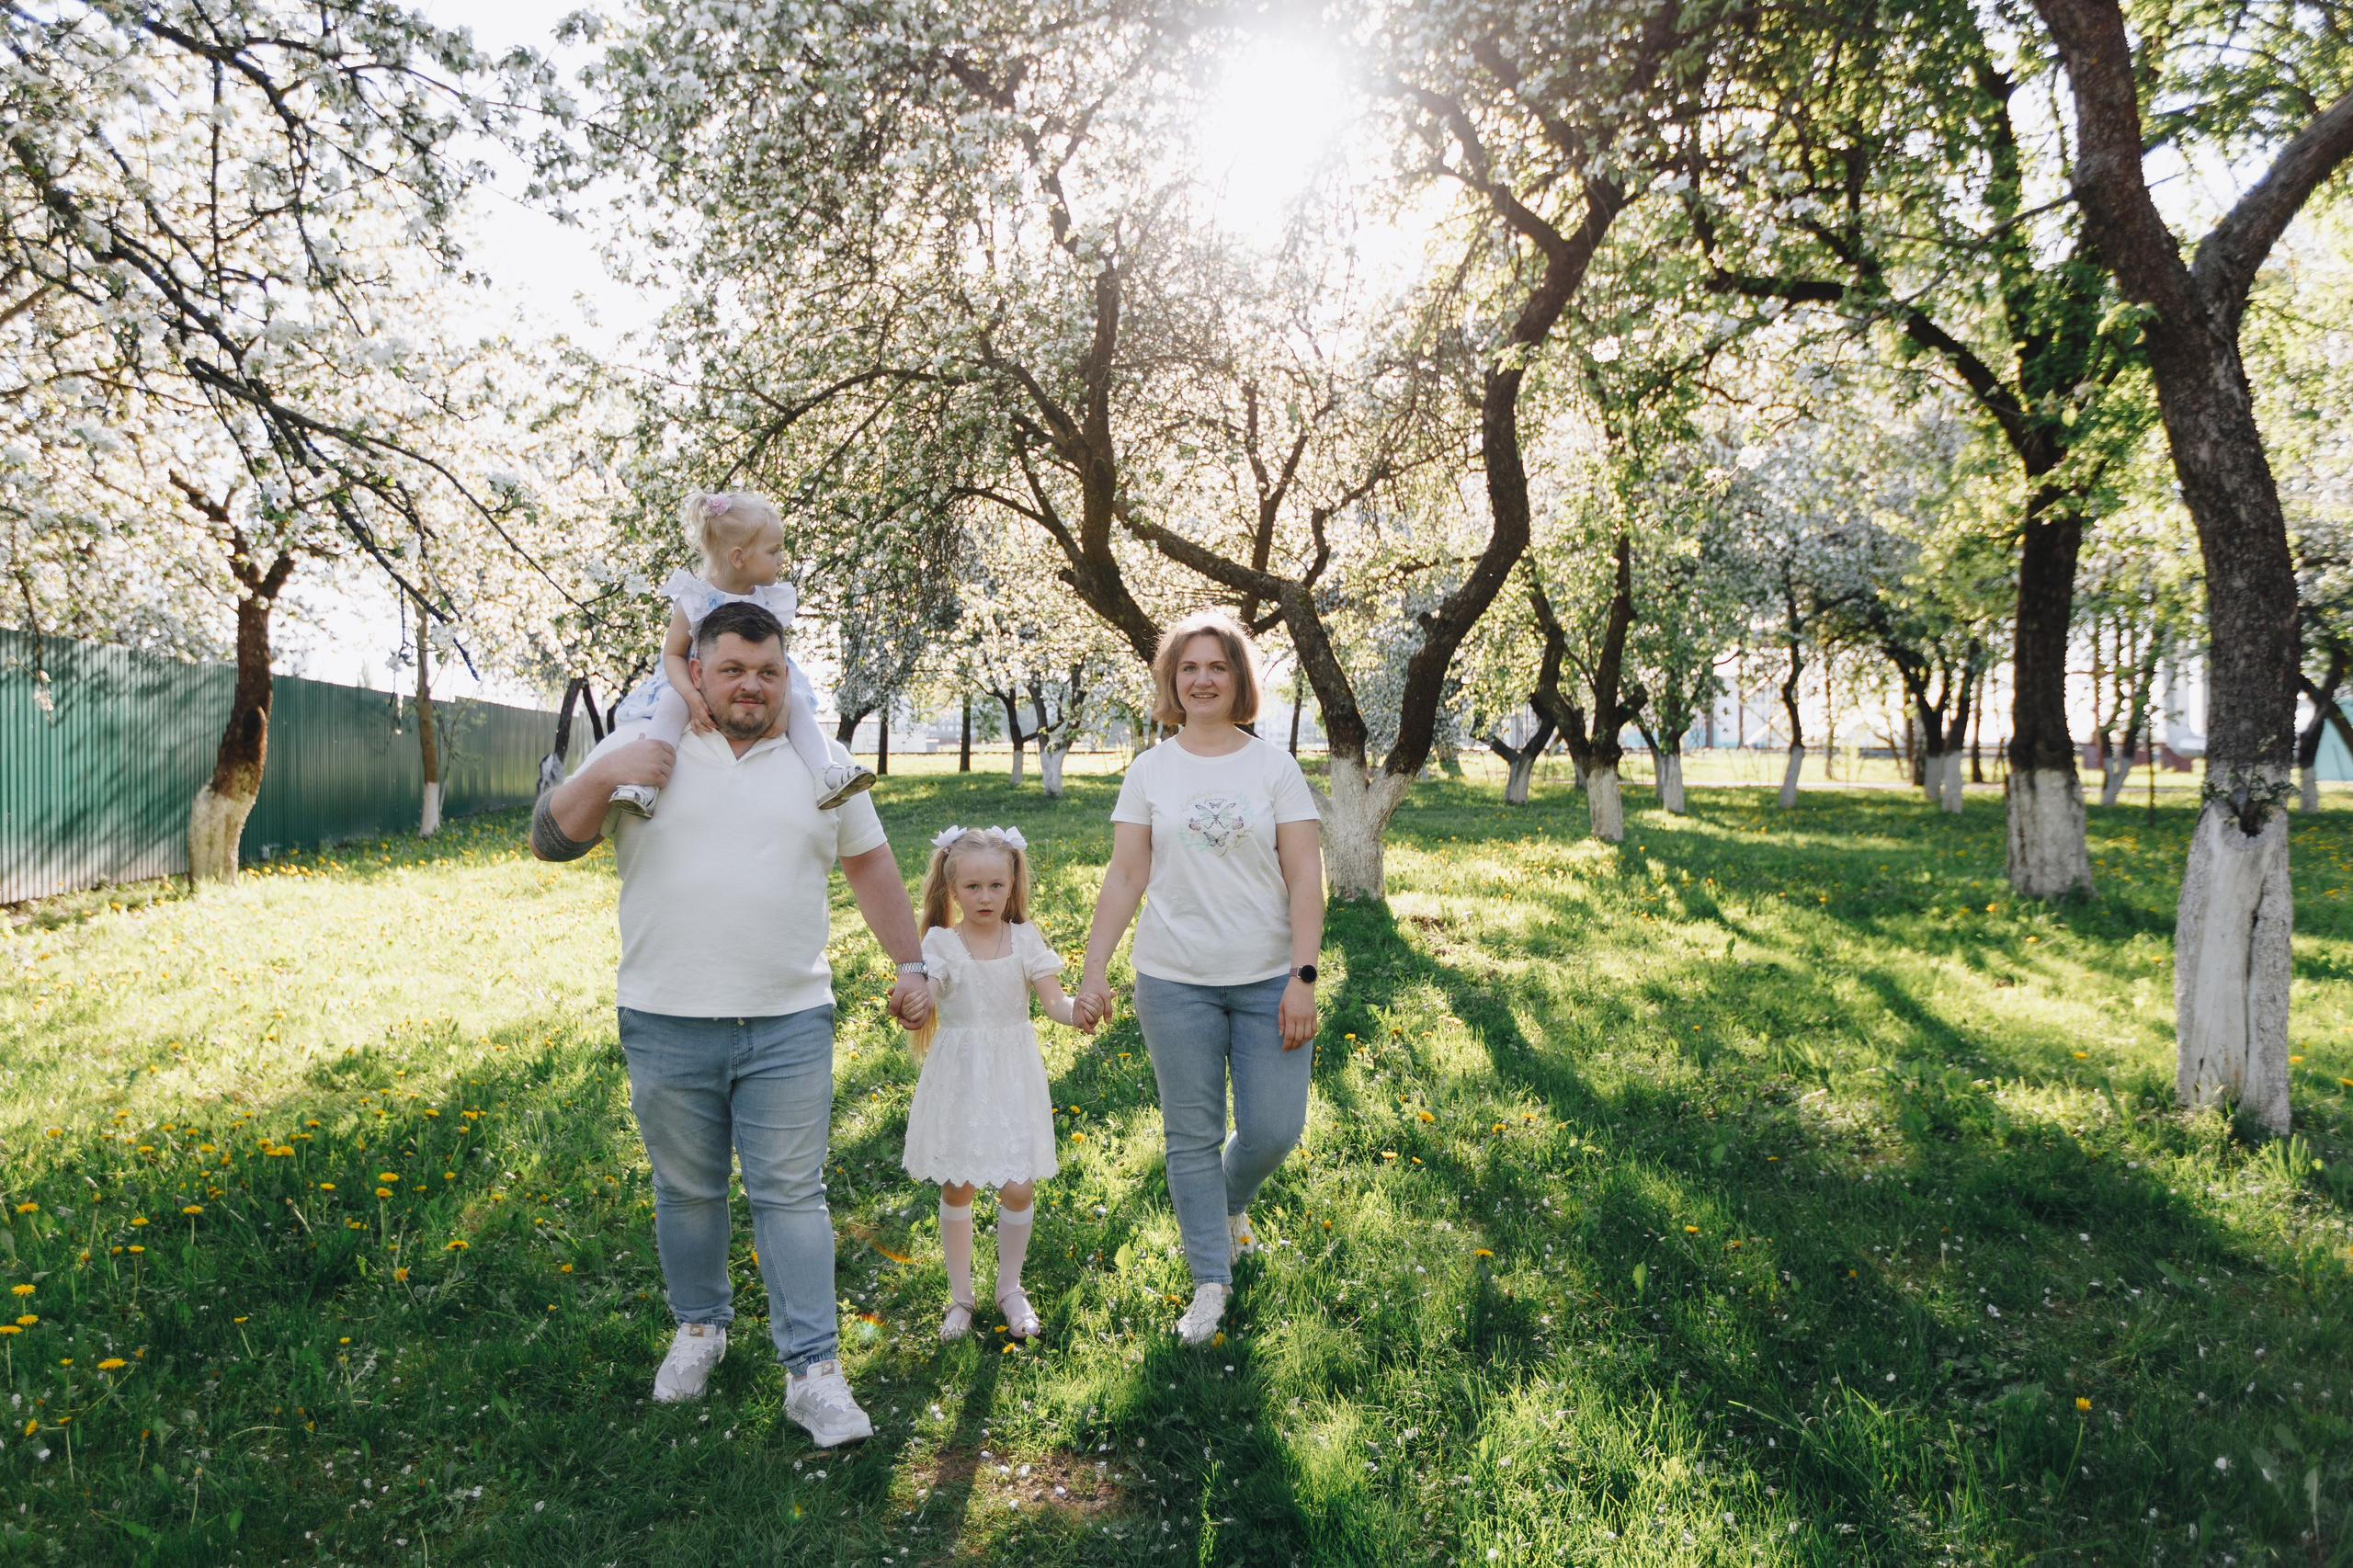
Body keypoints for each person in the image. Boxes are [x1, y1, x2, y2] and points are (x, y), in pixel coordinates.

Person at [531, 598, 933, 1449]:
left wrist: (910, 963)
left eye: (769, 671)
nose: (752, 686)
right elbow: (550, 841)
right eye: (733, 670)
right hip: (666, 1016)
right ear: (696, 672)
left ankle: (815, 1374)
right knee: (687, 1191)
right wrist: (607, 773)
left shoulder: (821, 763)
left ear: (787, 676)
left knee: (792, 1193)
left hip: (788, 1018)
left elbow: (869, 863)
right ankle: (700, 1330)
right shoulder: (647, 745)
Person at [1072, 608, 1324, 1346]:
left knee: (1276, 1129)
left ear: (1238, 679)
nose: (1203, 679)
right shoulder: (1151, 770)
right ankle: (1210, 1279)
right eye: (1189, 668)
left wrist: (1303, 976)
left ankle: (1225, 1203)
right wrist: (1095, 970)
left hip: (1268, 978)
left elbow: (1306, 876)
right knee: (1191, 1134)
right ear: (1172, 682)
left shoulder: (1273, 767)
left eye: (1217, 666)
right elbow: (1125, 875)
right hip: (1172, 979)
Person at [899, 824, 1079, 1343]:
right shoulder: (941, 942)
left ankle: (1009, 1287)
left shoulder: (1025, 938)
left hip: (1013, 1075)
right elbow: (930, 988)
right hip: (961, 1074)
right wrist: (919, 1000)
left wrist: (1080, 1010)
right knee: (960, 1183)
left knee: (1018, 1187)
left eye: (995, 886)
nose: (985, 897)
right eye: (973, 886)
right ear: (952, 889)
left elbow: (1055, 1003)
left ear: (1012, 884)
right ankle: (961, 1296)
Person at [607, 489, 874, 817]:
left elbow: (778, 660)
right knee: (669, 705)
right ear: (739, 558)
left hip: (757, 680)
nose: (782, 559)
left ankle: (826, 773)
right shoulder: (695, 598)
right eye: (773, 551)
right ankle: (643, 785)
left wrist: (784, 704)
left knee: (800, 704)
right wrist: (691, 695)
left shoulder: (771, 599)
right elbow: (673, 655)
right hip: (698, 680)